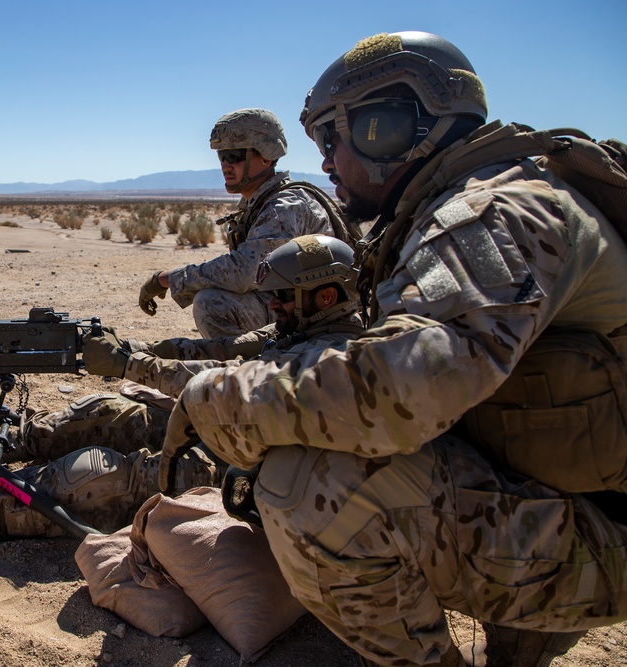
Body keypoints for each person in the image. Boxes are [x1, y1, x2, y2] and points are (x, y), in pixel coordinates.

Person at [159, 31, 627, 667]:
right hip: (574, 493)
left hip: (605, 527)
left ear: (389, 128)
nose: (326, 161)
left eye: (333, 138)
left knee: (310, 486)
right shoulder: (480, 199)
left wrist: (221, 399)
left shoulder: (490, 212)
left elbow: (402, 388)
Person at [0, 234, 365, 540]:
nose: (272, 307)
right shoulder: (298, 330)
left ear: (324, 296)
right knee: (106, 415)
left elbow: (220, 389)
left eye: (281, 298)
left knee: (98, 478)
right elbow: (225, 351)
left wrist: (131, 364)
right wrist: (142, 348)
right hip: (225, 434)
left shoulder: (332, 362)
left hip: (250, 470)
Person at [137, 108, 344, 338]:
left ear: (266, 156)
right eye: (221, 156)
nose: (225, 165)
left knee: (212, 303)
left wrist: (169, 278)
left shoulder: (285, 206)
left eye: (234, 156)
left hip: (315, 312)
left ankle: (251, 370)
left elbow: (245, 271)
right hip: (290, 305)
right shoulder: (260, 202)